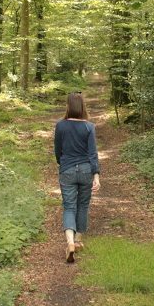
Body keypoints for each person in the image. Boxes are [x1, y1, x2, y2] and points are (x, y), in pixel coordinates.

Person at [54, 91, 101, 263]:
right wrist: (96, 175)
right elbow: (92, 153)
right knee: (83, 205)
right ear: (82, 107)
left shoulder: (60, 126)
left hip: (67, 169)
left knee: (69, 206)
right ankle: (78, 239)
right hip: (86, 170)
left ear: (68, 106)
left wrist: (62, 163)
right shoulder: (89, 127)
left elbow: (58, 150)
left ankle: (70, 242)